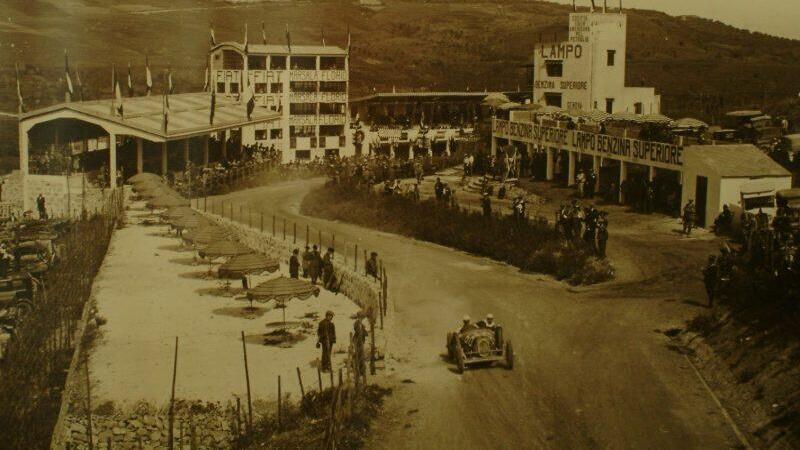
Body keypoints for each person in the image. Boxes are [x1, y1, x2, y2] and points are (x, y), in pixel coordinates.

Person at [352, 311, 368, 377]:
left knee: (361, 355)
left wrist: (364, 331)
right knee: (358, 355)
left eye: (362, 318)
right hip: (357, 341)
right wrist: (363, 332)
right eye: (360, 317)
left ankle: (361, 370)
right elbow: (358, 331)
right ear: (358, 317)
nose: (361, 319)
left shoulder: (362, 324)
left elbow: (365, 333)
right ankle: (358, 370)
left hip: (361, 341)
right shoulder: (356, 323)